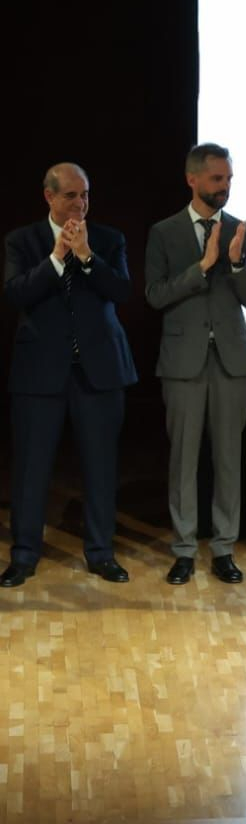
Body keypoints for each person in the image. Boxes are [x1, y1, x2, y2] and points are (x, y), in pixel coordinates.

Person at [3, 163, 138, 587]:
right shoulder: (22, 241)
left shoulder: (109, 240)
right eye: (70, 196)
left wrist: (86, 257)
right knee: (31, 467)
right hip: (39, 372)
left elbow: (122, 292)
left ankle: (100, 553)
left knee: (100, 466)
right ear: (49, 196)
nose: (80, 204)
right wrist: (58, 259)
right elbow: (15, 293)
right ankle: (24, 555)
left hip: (98, 371)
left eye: (85, 195)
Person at [145, 143, 246, 586]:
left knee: (229, 458)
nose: (225, 187)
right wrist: (203, 266)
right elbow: (155, 295)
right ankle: (183, 549)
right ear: (192, 179)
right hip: (183, 362)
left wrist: (234, 264)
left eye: (229, 179)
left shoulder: (243, 232)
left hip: (231, 362)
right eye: (217, 179)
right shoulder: (165, 232)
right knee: (183, 459)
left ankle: (225, 549)